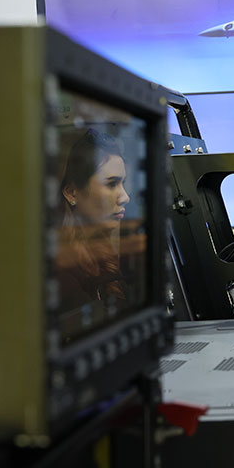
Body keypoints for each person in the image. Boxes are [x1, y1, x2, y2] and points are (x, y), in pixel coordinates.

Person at [55, 128, 131, 339]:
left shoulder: (105, 254)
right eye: (111, 184)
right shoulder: (57, 271)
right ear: (72, 193)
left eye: (123, 183)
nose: (125, 197)